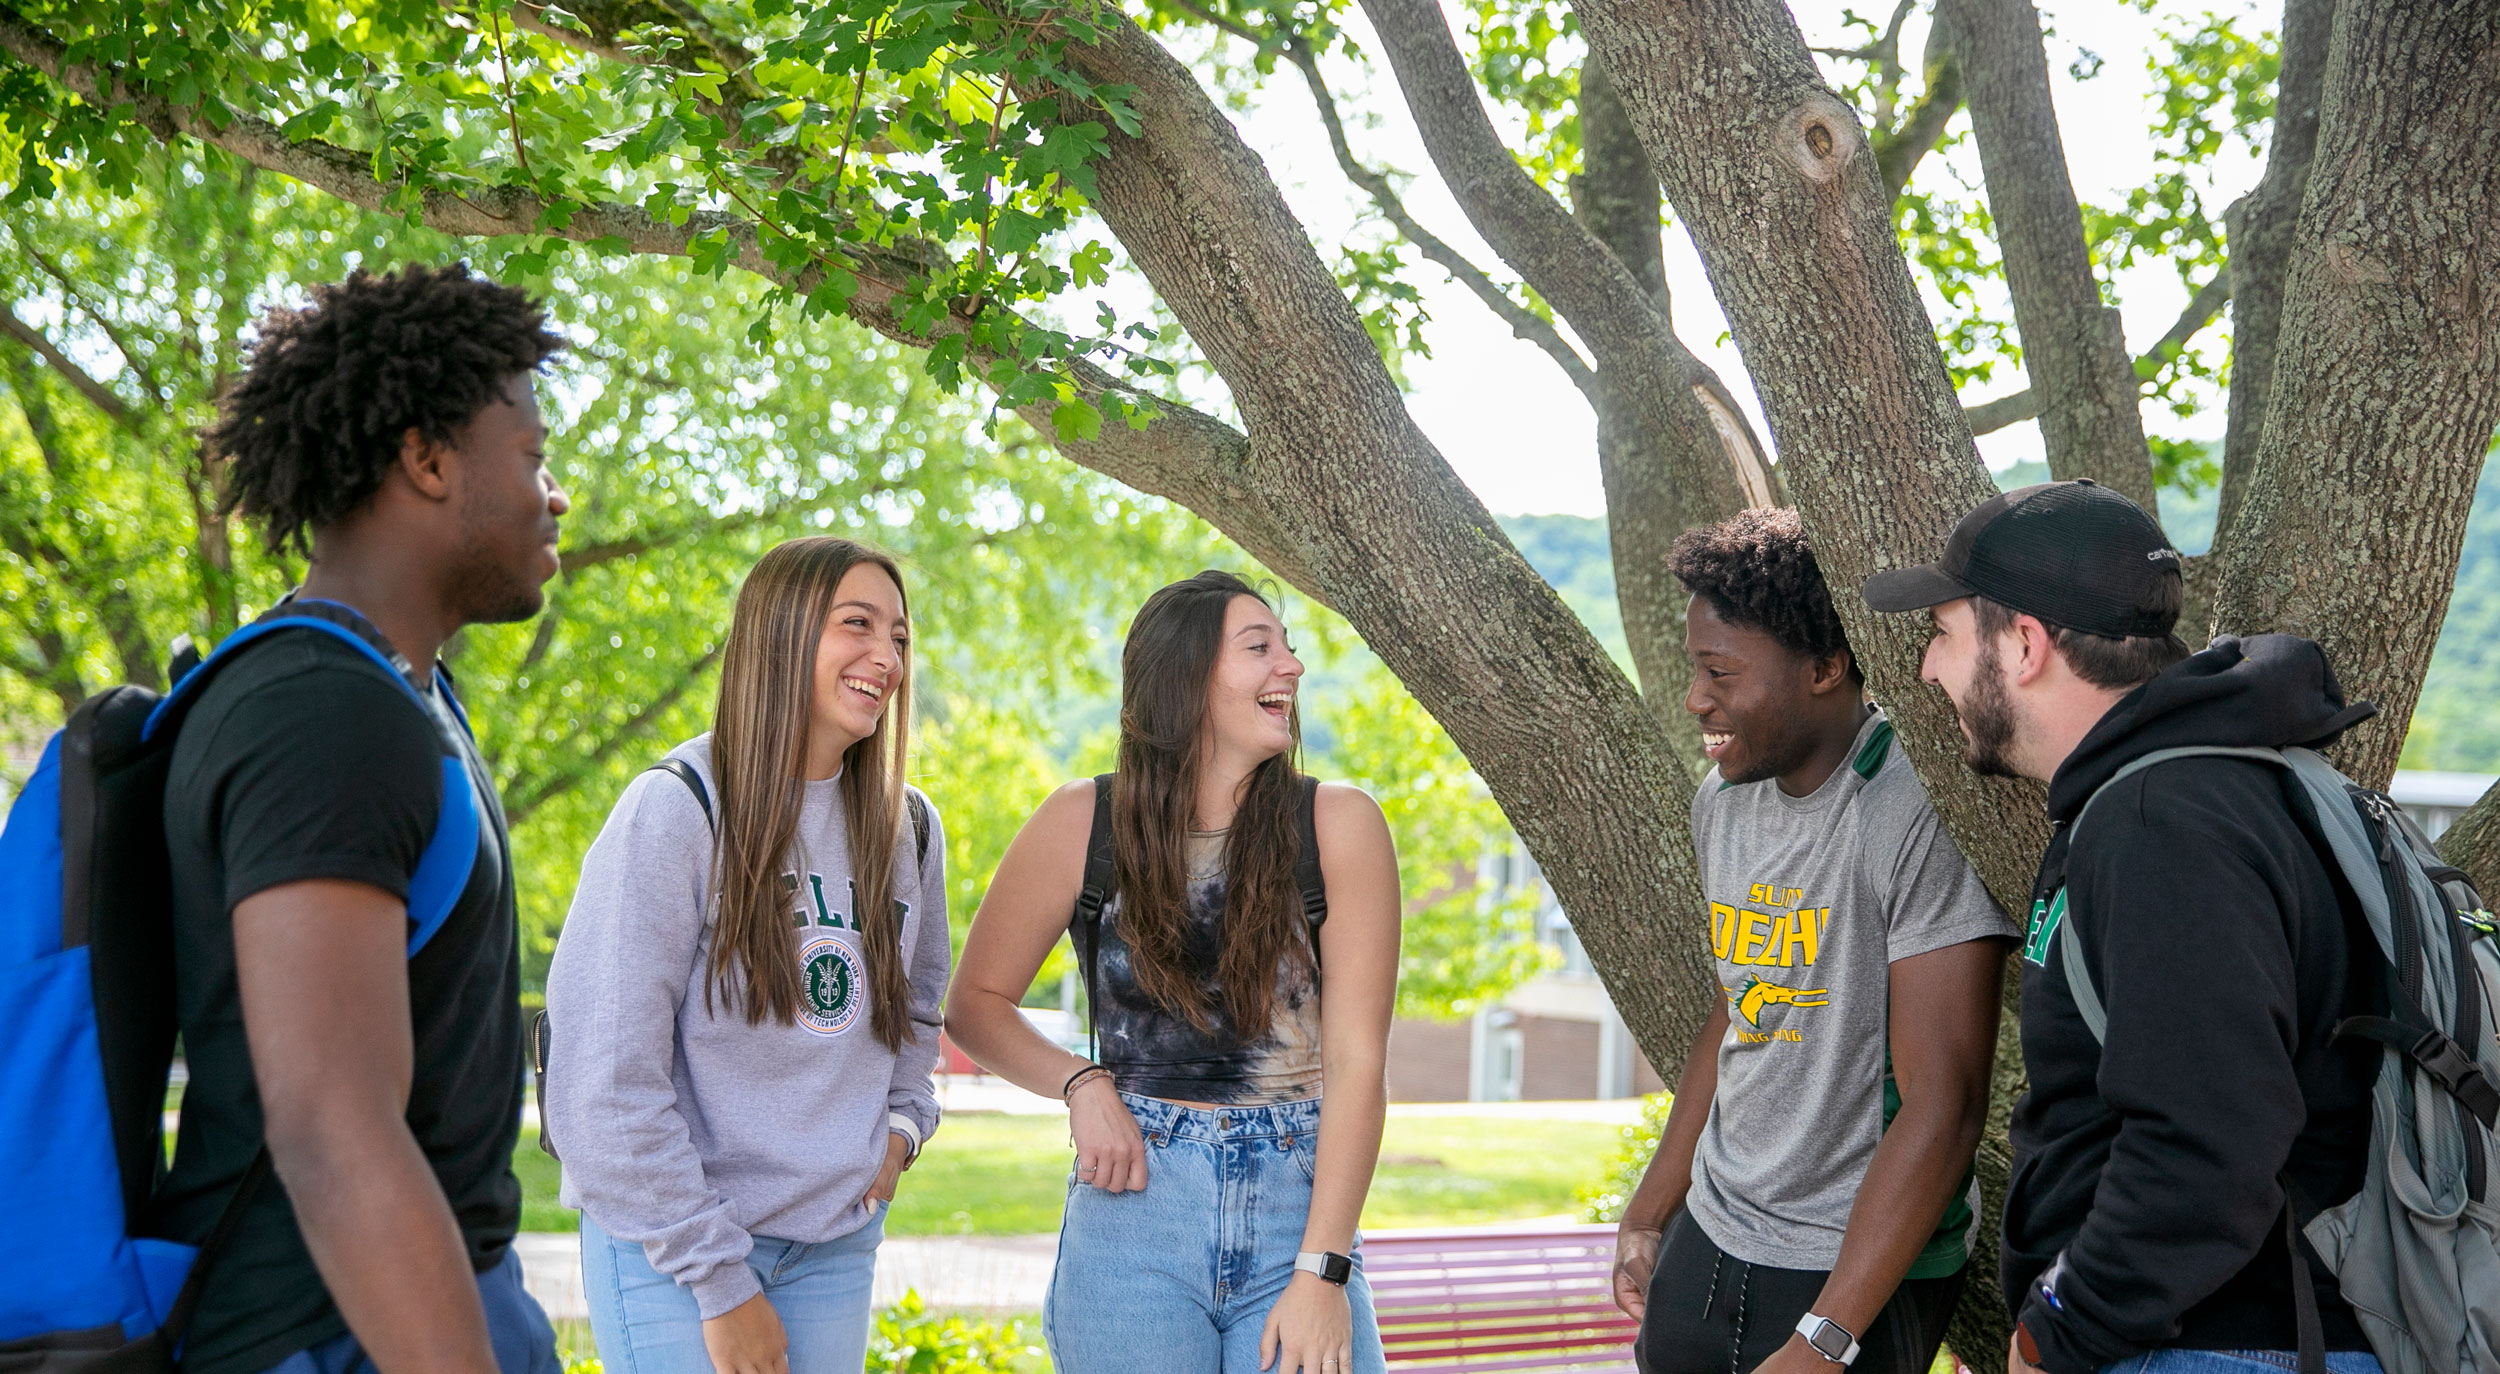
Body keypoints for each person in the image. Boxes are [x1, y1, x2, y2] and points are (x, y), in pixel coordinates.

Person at [1862, 479, 2383, 1374]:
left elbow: (2207, 1141)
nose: (1927, 669)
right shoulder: (2217, 786)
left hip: (2213, 1346)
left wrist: (2057, 1331)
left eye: (1943, 634)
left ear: (2024, 644)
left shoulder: (2160, 821)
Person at [159, 264, 567, 1374]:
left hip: (424, 1304)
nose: (556, 493)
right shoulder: (320, 712)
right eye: (533, 456)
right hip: (336, 1334)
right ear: (427, 460)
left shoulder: (402, 695)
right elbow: (332, 1134)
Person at [945, 570, 1402, 1374]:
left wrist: (1324, 1270)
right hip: (1132, 1215)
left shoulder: (1337, 825)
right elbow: (976, 1005)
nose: (1291, 667)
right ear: (1186, 680)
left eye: (1288, 648)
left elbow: (1359, 1063)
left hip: (1295, 1212)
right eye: (1260, 648)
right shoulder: (1079, 823)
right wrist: (1080, 1084)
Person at [1611, 509, 2017, 1374]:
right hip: (1716, 1227)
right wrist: (1650, 1212)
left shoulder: (1909, 810)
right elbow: (1737, 1009)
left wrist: (1826, 1340)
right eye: (1695, 669)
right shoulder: (1722, 802)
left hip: (1854, 1263)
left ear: (1828, 667)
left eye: (1721, 672)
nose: (1695, 698)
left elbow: (1946, 1103)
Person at [544, 537, 948, 1374]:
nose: (887, 657)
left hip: (833, 1244)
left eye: (900, 638)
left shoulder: (907, 825)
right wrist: (720, 1282)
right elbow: (607, 1083)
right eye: (858, 625)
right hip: (675, 1250)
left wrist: (901, 1131)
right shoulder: (678, 808)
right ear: (782, 634)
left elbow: (914, 1010)